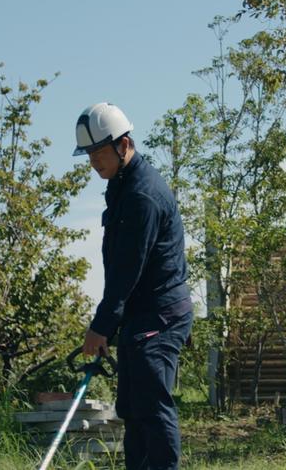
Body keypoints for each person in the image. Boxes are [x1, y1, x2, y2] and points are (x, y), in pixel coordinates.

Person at [74, 102, 193, 470]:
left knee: (153, 410)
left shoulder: (141, 195)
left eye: (99, 151)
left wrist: (101, 327)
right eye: (89, 153)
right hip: (140, 316)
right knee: (133, 409)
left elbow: (128, 271)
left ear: (123, 144)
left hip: (159, 315)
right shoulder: (122, 185)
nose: (94, 160)